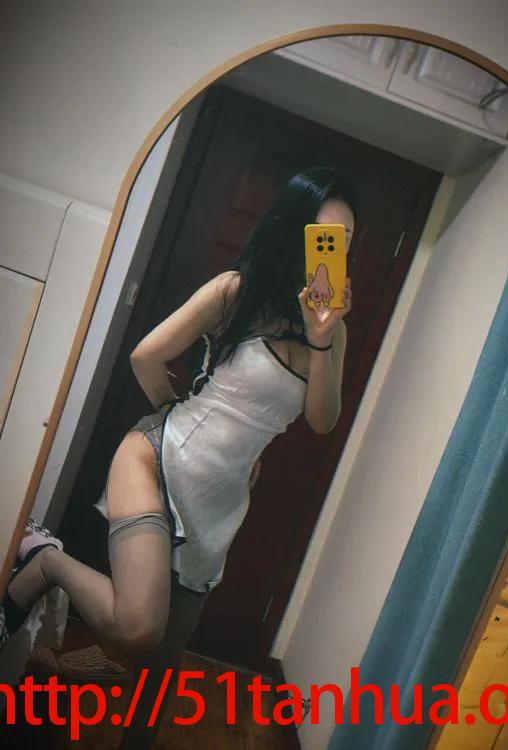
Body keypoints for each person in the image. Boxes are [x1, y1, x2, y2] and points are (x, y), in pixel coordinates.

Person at [1, 165, 356, 745]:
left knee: (159, 666)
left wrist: (321, 338)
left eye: (343, 242)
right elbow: (146, 356)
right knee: (139, 629)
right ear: (296, 233)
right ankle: (47, 563)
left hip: (220, 502)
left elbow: (323, 420)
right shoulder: (236, 291)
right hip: (154, 461)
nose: (332, 253)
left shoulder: (333, 335)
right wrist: (171, 412)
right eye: (323, 238)